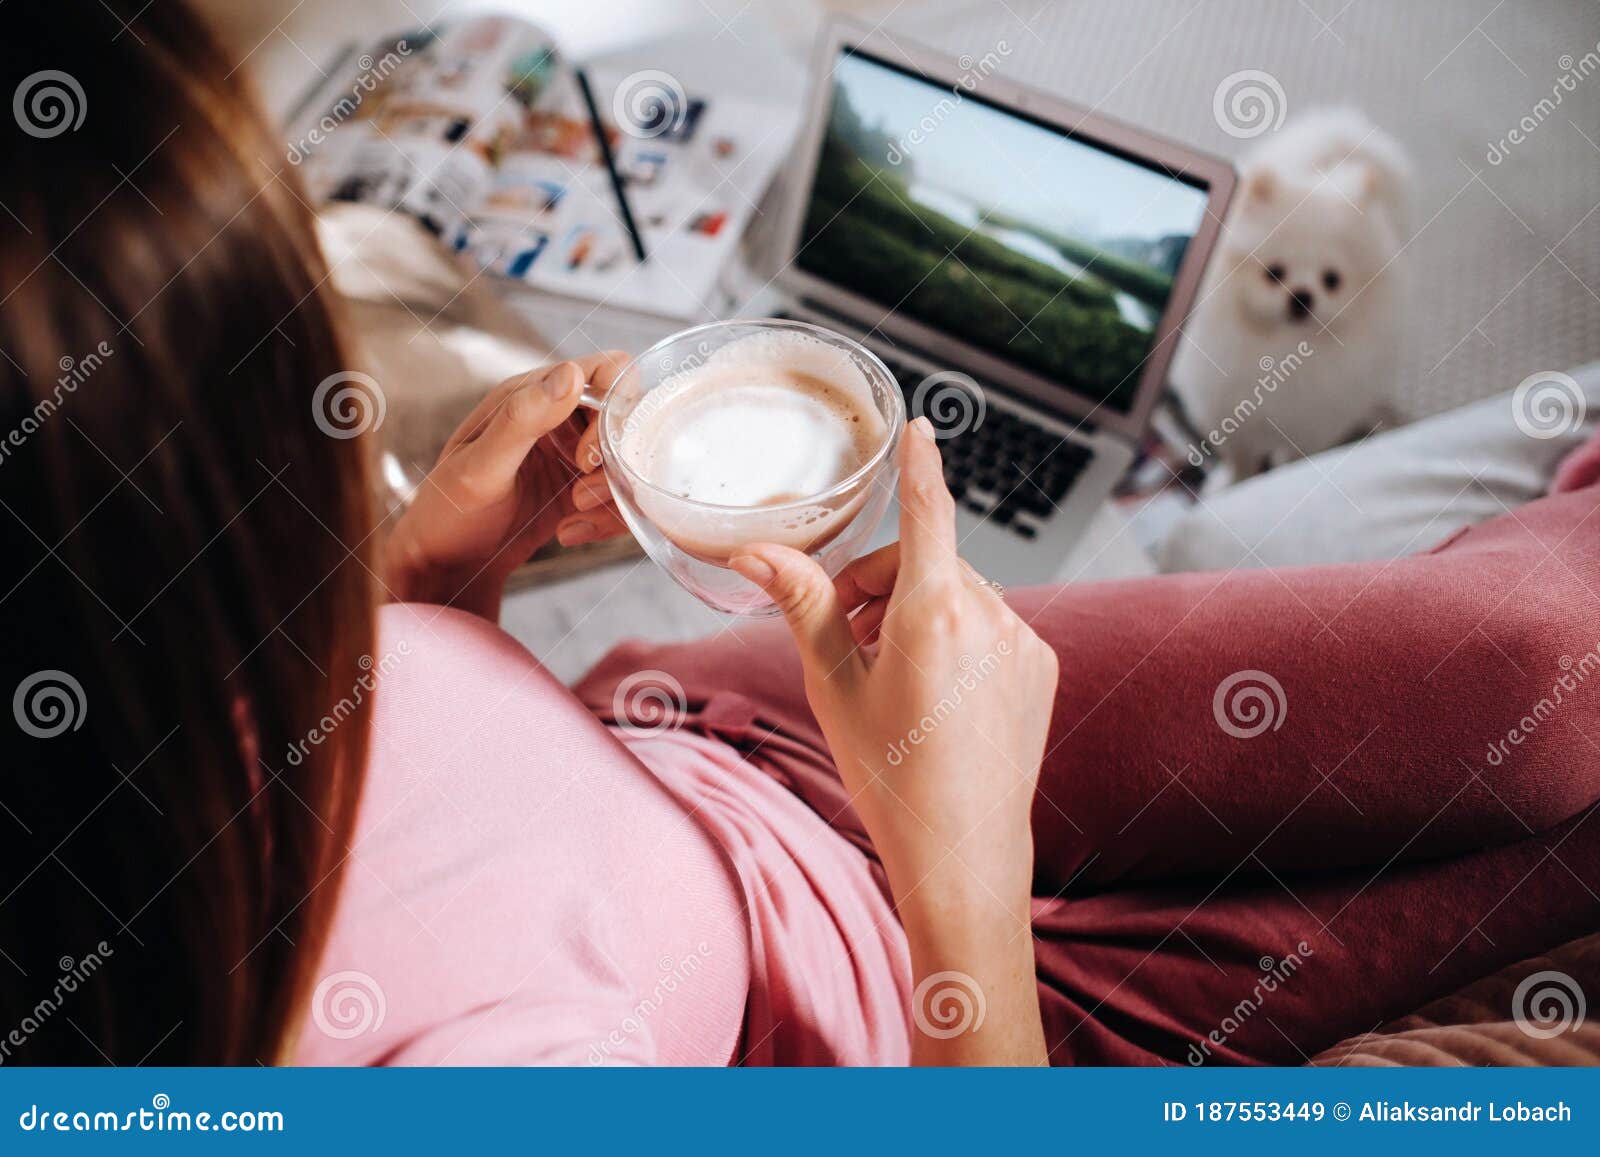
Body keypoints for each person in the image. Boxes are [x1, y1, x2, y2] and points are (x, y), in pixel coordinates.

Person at [3, 0, 1597, 1067]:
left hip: (736, 733)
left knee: (1547, 670)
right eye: (294, 395)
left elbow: (372, 810)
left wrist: (434, 587)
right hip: (962, 1003)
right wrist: (958, 864)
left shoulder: (138, 715)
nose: (343, 426)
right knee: (1566, 798)